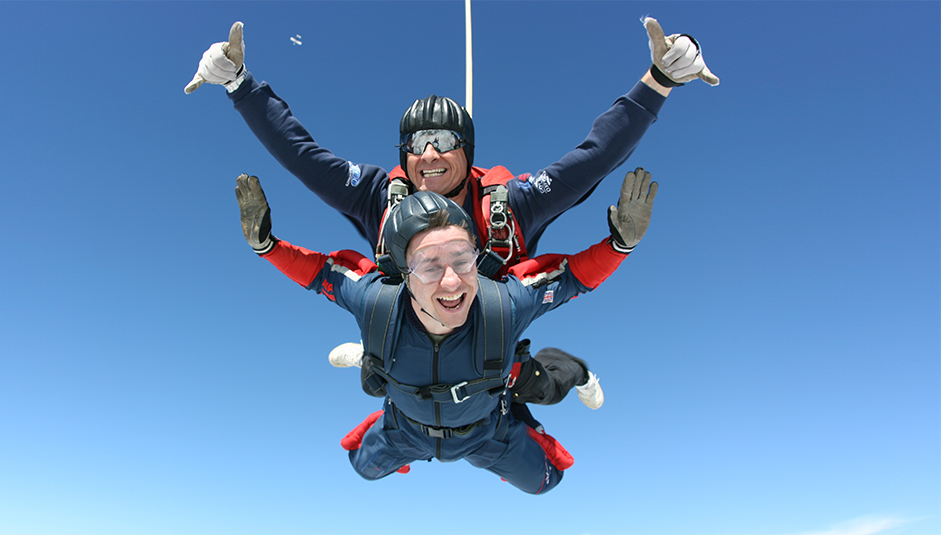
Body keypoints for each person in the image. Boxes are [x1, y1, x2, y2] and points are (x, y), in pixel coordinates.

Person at [188, 16, 714, 409]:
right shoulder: (377, 196)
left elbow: (591, 158)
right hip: (410, 334)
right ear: (403, 156)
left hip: (493, 342)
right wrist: (240, 84)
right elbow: (301, 154)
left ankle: (572, 369)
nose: (431, 154)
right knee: (386, 360)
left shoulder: (512, 205)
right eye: (417, 143)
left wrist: (657, 83)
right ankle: (377, 350)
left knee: (537, 397)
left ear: (468, 150)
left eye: (445, 140)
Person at [233, 167, 657, 494]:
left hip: (488, 432)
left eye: (462, 258)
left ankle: (568, 369)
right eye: (429, 265)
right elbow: (320, 272)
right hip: (406, 431)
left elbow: (572, 278)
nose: (452, 282)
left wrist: (622, 242)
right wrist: (264, 245)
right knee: (361, 468)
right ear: (402, 274)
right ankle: (374, 360)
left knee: (545, 481)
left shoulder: (504, 304)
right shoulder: (376, 301)